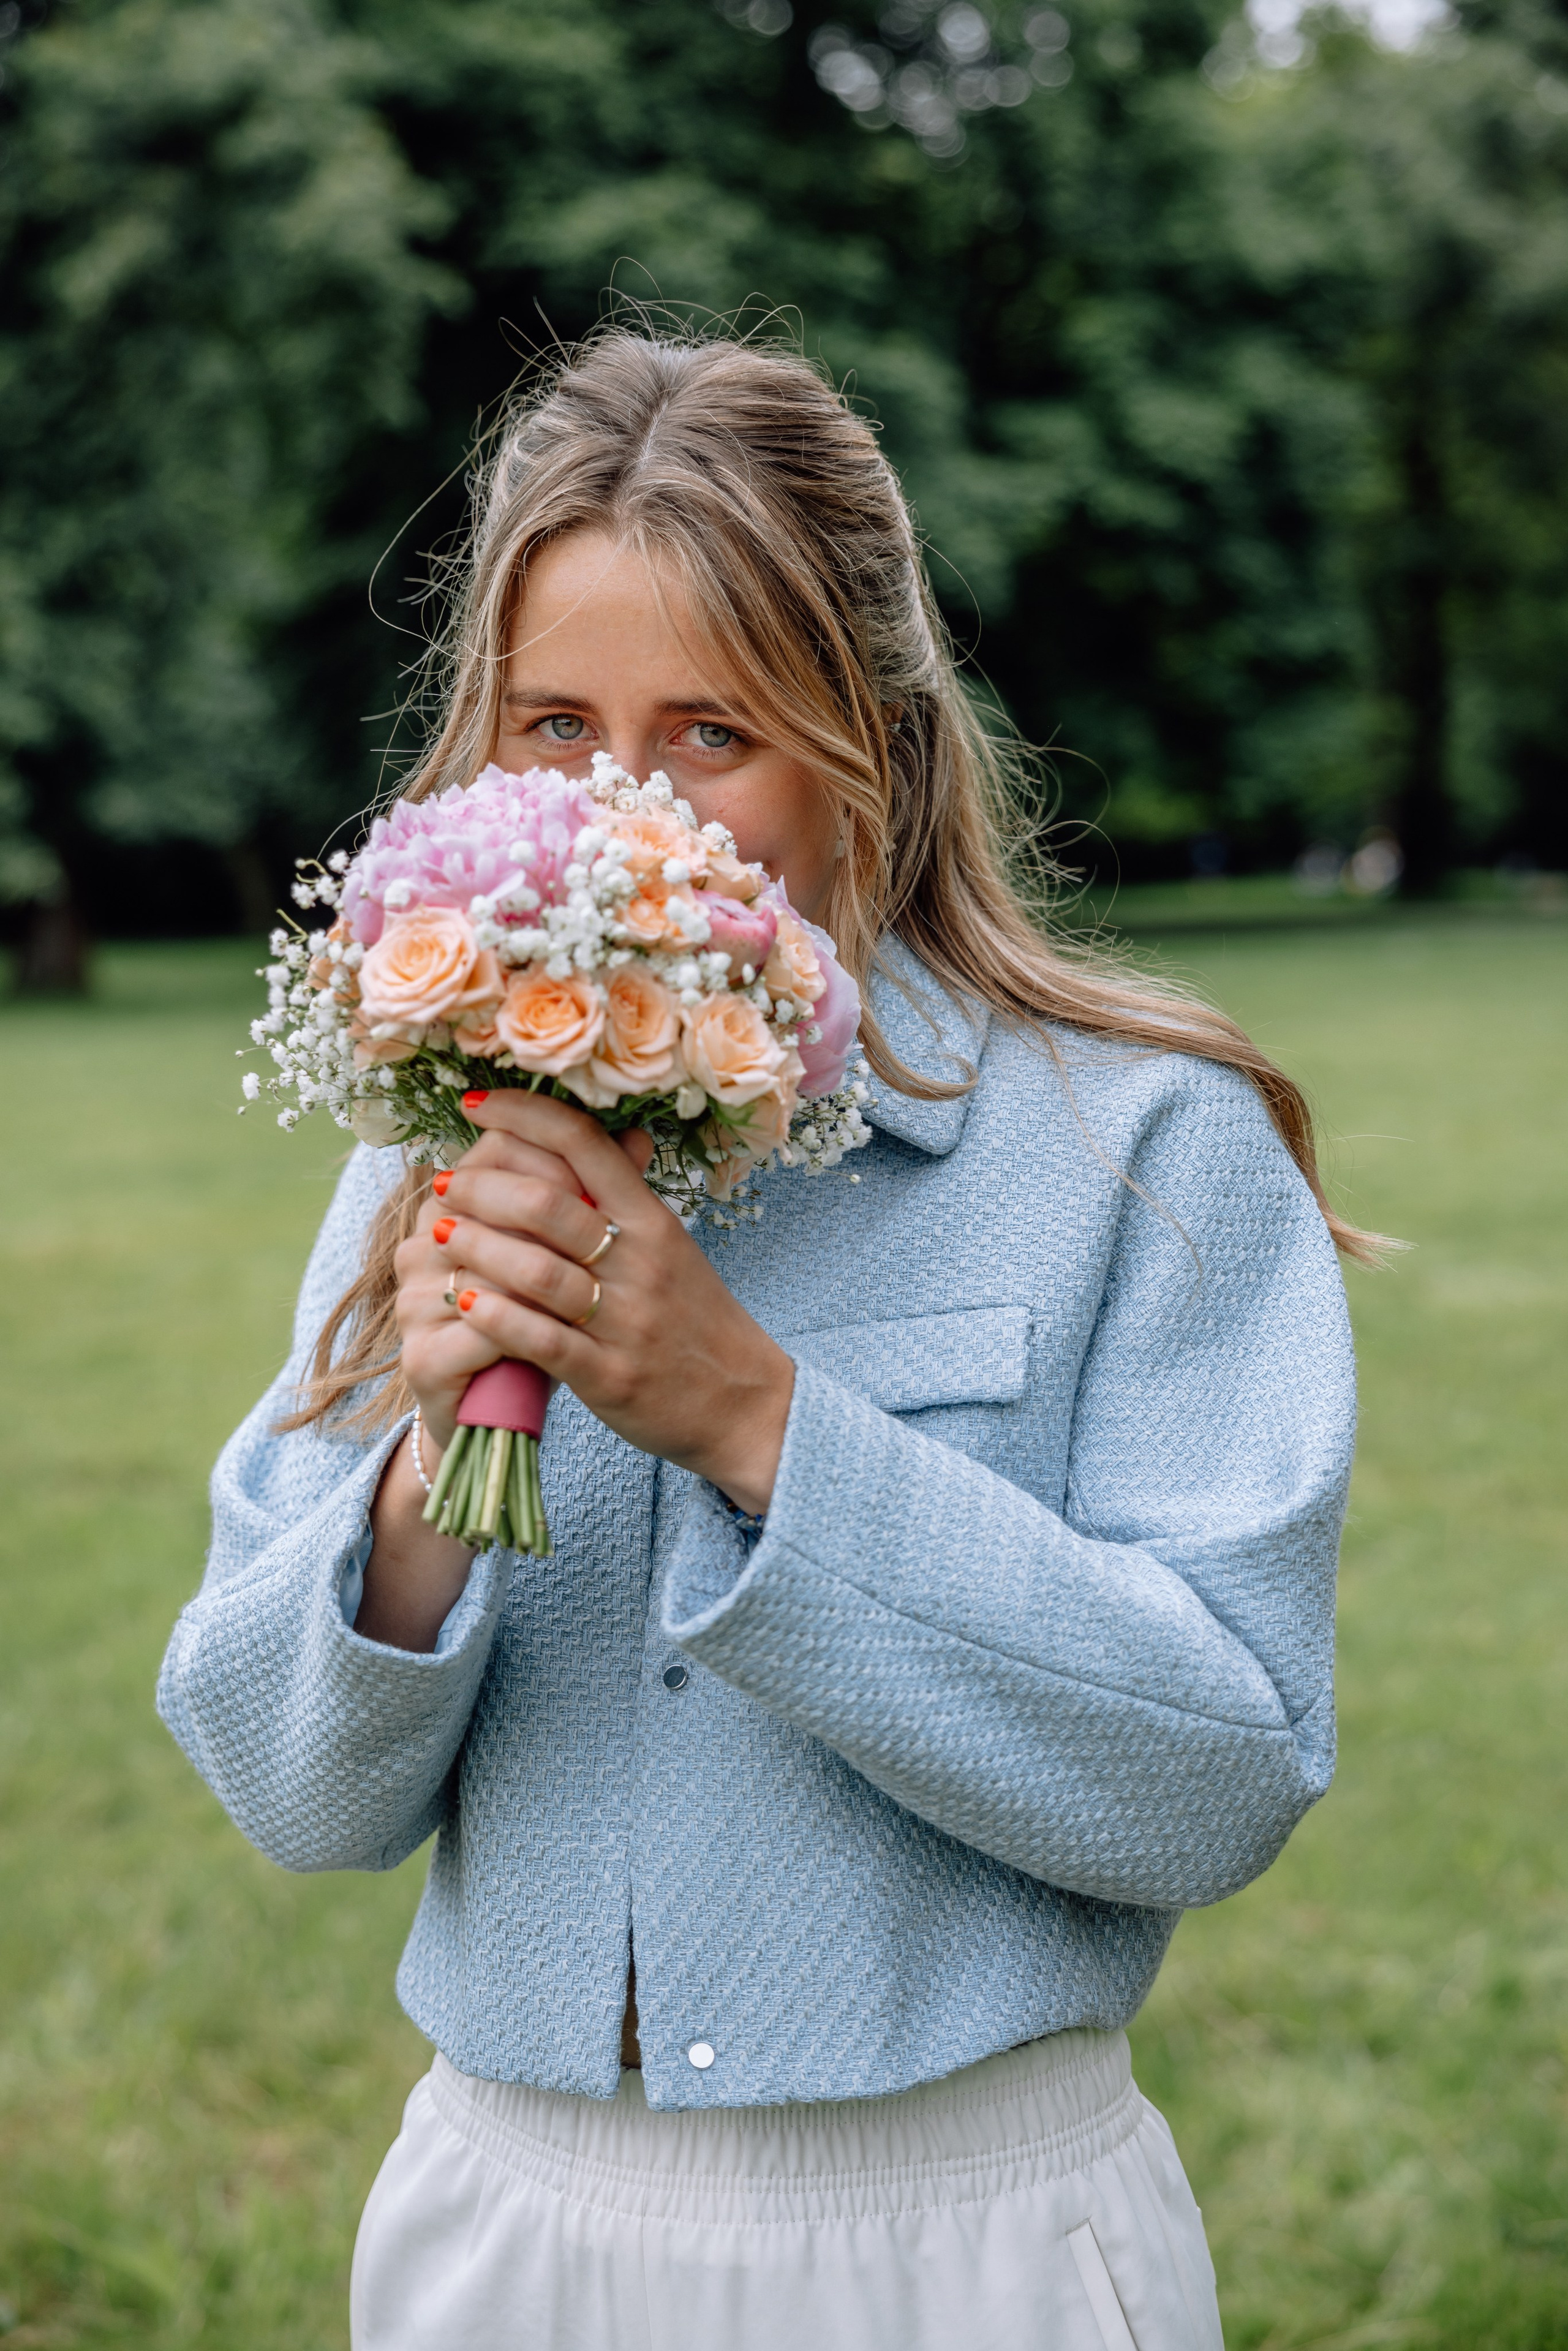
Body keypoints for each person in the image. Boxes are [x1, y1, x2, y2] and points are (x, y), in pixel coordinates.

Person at [158, 328, 1368, 2350]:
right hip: (501, 2231)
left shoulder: (1141, 1146)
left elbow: (1221, 1774)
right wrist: (417, 1498)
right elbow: (296, 1802)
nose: (622, 815)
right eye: (554, 726)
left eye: (710, 732)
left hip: (962, 2244)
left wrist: (749, 1414)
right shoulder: (429, 1161)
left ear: (865, 750)